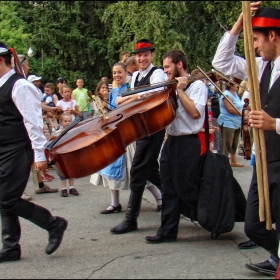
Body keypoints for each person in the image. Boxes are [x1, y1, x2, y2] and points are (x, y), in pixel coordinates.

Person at [212, 2, 280, 276]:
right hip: (265, 159)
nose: (252, 46)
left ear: (272, 36)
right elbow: (221, 62)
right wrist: (241, 22)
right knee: (253, 225)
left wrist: (274, 123)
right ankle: (277, 258)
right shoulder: (261, 65)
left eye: (255, 39)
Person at [0, 41, 67, 263]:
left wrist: (40, 155)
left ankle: (53, 224)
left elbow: (33, 123)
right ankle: (10, 247)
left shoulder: (20, 86)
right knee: (5, 198)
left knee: (7, 199)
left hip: (18, 149)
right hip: (4, 149)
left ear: (0, 60)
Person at [144, 49, 207, 243]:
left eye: (167, 67)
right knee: (169, 188)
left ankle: (211, 218)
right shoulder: (167, 87)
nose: (165, 72)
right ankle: (167, 232)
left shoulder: (197, 86)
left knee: (186, 188)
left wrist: (180, 91)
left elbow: (195, 113)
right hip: (171, 141)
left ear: (179, 65)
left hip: (188, 142)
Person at [110, 39, 167, 234]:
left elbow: (154, 92)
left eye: (146, 54)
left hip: (153, 129)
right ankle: (174, 198)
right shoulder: (135, 76)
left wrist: (127, 97)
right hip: (140, 128)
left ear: (151, 55)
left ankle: (130, 219)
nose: (142, 58)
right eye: (139, 55)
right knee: (150, 171)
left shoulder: (157, 73)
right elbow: (137, 99)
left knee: (137, 173)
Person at [90, 62, 162, 214]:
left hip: (129, 135)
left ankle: (160, 198)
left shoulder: (130, 88)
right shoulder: (112, 91)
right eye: (114, 73)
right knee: (109, 169)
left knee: (139, 170)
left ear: (125, 73)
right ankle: (115, 203)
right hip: (115, 134)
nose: (117, 75)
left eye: (120, 72)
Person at [52, 113, 79, 197]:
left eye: (69, 121)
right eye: (65, 121)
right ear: (60, 122)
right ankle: (64, 189)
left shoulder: (72, 132)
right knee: (62, 172)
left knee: (71, 171)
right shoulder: (57, 133)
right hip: (61, 155)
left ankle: (72, 187)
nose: (67, 123)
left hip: (70, 153)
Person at [218, 81, 244, 167]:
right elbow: (231, 109)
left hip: (236, 122)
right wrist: (243, 114)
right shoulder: (226, 95)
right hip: (228, 122)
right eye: (236, 84)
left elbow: (240, 106)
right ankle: (222, 163)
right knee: (227, 143)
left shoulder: (236, 94)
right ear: (231, 86)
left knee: (234, 142)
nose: (238, 85)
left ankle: (233, 161)